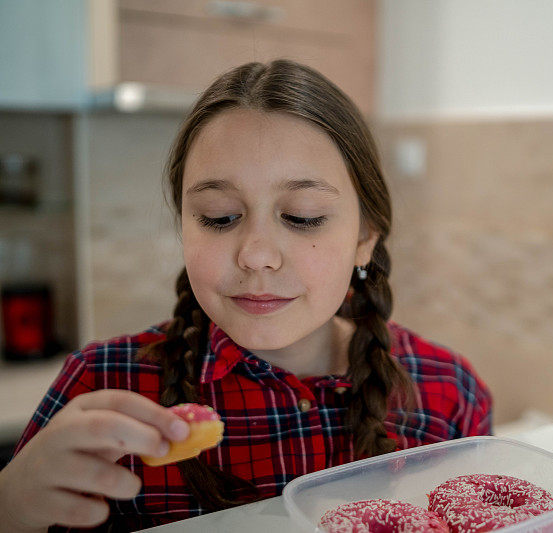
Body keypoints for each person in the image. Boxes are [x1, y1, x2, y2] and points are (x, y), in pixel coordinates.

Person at [0, 60, 492, 532]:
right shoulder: (104, 387)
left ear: (366, 236)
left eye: (302, 217)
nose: (256, 255)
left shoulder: (448, 393)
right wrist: (12, 508)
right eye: (219, 217)